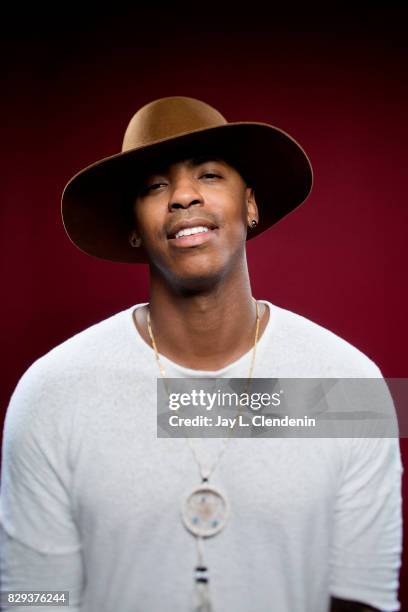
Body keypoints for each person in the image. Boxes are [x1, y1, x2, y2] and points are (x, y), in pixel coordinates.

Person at [0, 96, 403, 612]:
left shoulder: (351, 390)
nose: (184, 196)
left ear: (250, 204)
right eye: (155, 185)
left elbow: (363, 599)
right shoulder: (52, 393)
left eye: (209, 175)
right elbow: (32, 597)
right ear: (133, 226)